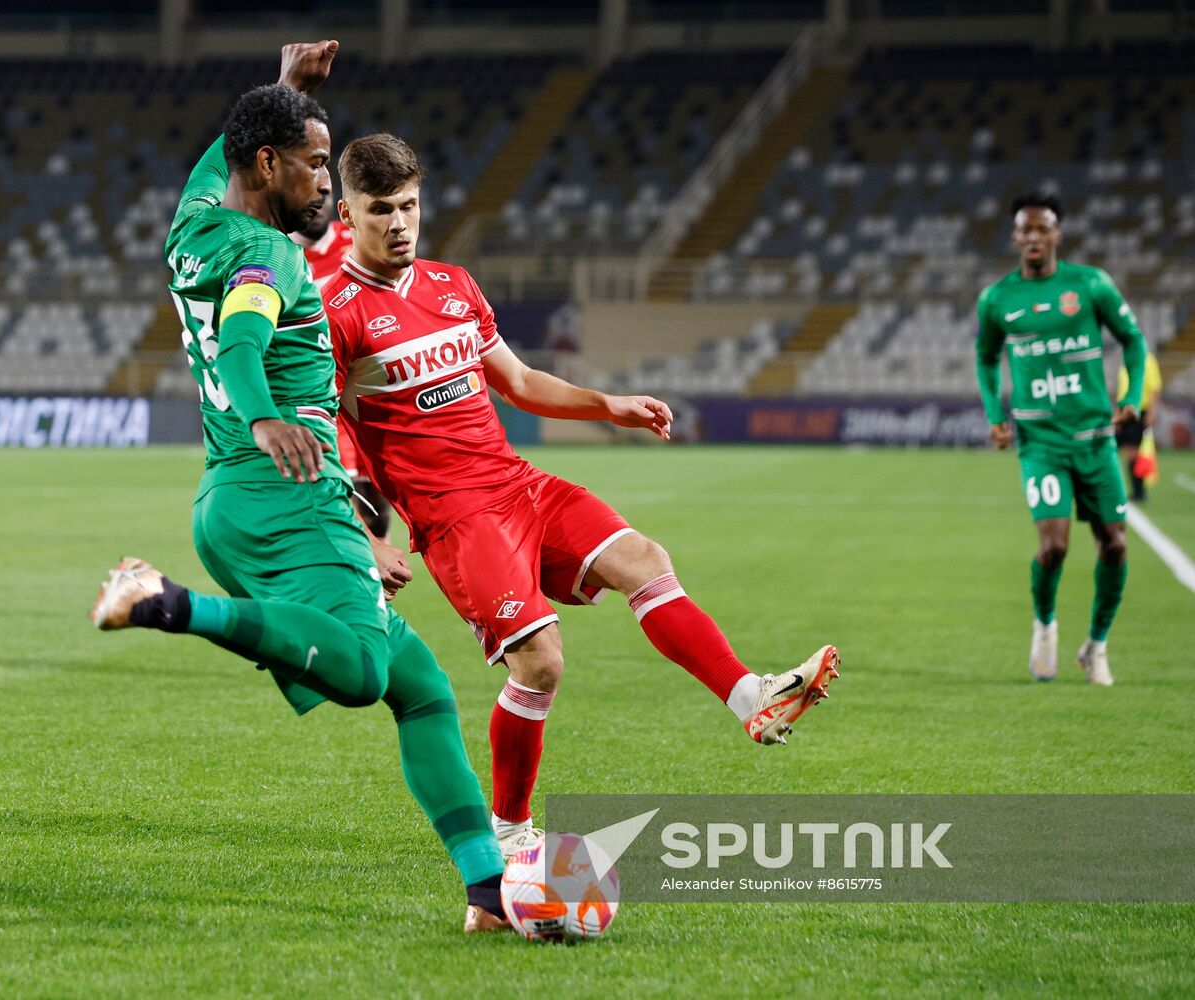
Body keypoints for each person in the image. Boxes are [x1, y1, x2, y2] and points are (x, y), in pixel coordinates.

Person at [321, 133, 840, 857]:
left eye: (410, 205)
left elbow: (523, 382)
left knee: (645, 559)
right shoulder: (331, 315)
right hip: (457, 520)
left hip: (518, 485)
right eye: (382, 210)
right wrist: (365, 536)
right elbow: (322, 437)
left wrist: (611, 405)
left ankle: (752, 700)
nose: (401, 223)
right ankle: (509, 836)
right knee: (541, 662)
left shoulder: (453, 285)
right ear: (347, 213)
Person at [94, 43, 508, 933]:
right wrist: (267, 416)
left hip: (230, 501)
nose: (328, 181)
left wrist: (287, 92)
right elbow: (245, 340)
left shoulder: (194, 222)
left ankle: (487, 893)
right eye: (317, 164)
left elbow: (225, 156)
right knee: (362, 672)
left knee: (420, 684)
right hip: (286, 483)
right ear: (269, 167)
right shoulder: (266, 257)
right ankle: (165, 602)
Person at [975, 193, 1148, 686]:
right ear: (1015, 239)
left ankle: (1095, 646)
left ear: (1057, 235)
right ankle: (1045, 626)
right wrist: (995, 413)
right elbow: (986, 358)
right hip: (1042, 445)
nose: (1033, 237)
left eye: (1042, 229)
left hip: (1095, 439)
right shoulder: (997, 299)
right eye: (1024, 230)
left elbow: (1134, 341)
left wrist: (1131, 394)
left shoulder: (1090, 285)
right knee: (1053, 548)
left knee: (1115, 545)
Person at [291, 178, 391, 538]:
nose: (318, 203)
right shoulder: (280, 257)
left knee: (379, 504)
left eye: (325, 195)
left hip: (371, 387)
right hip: (321, 394)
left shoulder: (358, 242)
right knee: (345, 502)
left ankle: (380, 592)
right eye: (308, 195)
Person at [1115, 351, 1162, 502]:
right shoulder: (1125, 361)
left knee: (1133, 454)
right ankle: (1135, 491)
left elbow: (1155, 388)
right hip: (1125, 412)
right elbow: (1121, 390)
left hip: (1138, 412)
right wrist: (1118, 412)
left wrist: (1151, 413)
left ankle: (1139, 492)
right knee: (1120, 450)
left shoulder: (1148, 360)